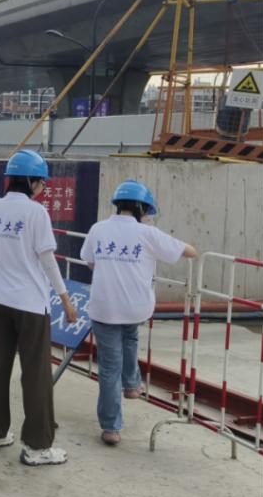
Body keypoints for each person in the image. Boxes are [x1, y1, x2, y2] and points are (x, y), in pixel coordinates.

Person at [0, 149, 77, 467]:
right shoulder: (36, 213)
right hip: (30, 304)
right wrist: (65, 298)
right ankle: (37, 446)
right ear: (32, 181)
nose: (42, 187)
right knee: (35, 375)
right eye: (41, 182)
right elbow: (47, 259)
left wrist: (3, 268)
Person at [80, 180, 196, 445]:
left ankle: (111, 428)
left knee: (109, 368)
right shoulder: (148, 234)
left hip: (104, 307)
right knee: (130, 335)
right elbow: (190, 252)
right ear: (142, 208)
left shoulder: (98, 228)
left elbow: (90, 262)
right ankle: (132, 385)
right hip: (135, 307)